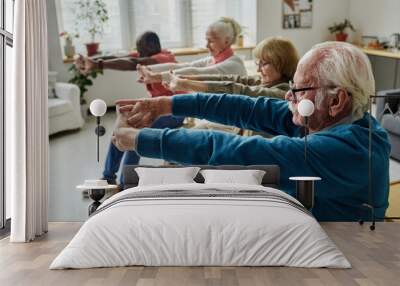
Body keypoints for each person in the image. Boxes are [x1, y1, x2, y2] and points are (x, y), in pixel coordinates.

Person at [111, 42, 391, 221]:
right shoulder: (328, 118)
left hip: (342, 255)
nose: (287, 97)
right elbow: (248, 108)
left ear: (336, 100)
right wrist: (165, 105)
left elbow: (237, 151)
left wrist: (140, 139)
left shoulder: (347, 150)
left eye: (299, 90)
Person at [77, 31, 184, 186]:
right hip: (156, 108)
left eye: (140, 48)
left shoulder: (163, 58)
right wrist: (90, 61)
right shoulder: (149, 54)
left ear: (152, 46)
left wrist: (97, 64)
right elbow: (122, 57)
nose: (138, 51)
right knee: (119, 130)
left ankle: (126, 183)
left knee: (134, 134)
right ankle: (108, 178)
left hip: (176, 111)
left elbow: (132, 62)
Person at [165, 37, 299, 100]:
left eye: (264, 64)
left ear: (281, 63)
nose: (258, 70)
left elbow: (239, 89)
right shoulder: (270, 82)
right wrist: (189, 79)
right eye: (258, 63)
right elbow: (234, 79)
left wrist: (186, 84)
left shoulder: (284, 93)